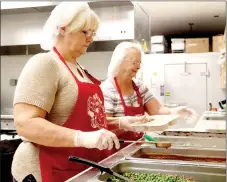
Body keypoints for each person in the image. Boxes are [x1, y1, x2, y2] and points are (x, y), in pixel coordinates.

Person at [11, 3, 146, 182]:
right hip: (46, 170)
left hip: (80, 168)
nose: (90, 38)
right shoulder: (45, 63)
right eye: (85, 32)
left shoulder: (80, 69)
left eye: (93, 33)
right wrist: (81, 138)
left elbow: (91, 123)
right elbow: (25, 124)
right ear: (63, 28)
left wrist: (121, 122)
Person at [100, 42, 197, 154]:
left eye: (139, 63)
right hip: (116, 151)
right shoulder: (107, 90)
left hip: (138, 148)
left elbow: (157, 110)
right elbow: (104, 125)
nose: (138, 67)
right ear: (119, 61)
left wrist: (175, 112)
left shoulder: (139, 87)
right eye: (134, 62)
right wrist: (122, 122)